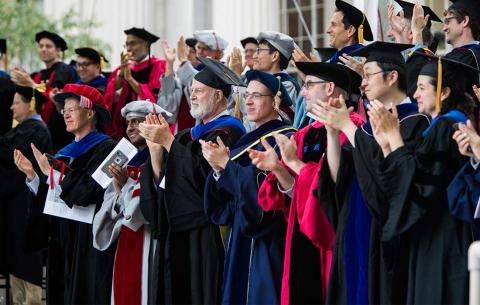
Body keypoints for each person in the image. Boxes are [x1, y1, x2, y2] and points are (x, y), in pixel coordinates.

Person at [315, 41, 430, 305]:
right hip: (354, 224)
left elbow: (393, 178)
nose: (362, 83)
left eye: (368, 74)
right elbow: (337, 180)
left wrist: (347, 126)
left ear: (392, 77)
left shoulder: (416, 123)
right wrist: (333, 133)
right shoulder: (365, 128)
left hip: (382, 232)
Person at [367, 55, 478, 304]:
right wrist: (387, 146)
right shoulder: (438, 128)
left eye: (422, 87)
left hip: (446, 239)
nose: (415, 93)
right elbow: (411, 183)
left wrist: (395, 138)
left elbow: (422, 189)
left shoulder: (448, 127)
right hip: (433, 237)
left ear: (444, 92)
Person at [137, 57, 245, 304]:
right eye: (191, 90)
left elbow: (202, 179)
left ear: (218, 96)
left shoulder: (230, 132)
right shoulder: (188, 136)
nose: (192, 96)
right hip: (177, 233)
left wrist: (168, 143)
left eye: (198, 91)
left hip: (206, 235)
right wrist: (155, 153)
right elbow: (166, 183)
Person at [253, 62, 363, 305]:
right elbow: (293, 196)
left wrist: (293, 163)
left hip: (334, 238)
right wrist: (278, 168)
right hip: (302, 236)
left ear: (331, 88)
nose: (303, 92)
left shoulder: (355, 129)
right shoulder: (306, 133)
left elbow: (335, 186)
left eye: (310, 85)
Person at [14, 84, 117, 304]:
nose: (66, 114)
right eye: (64, 110)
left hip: (88, 239)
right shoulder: (64, 153)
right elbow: (53, 198)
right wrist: (34, 176)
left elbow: (89, 192)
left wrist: (51, 172)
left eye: (72, 108)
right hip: (62, 238)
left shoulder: (108, 149)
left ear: (90, 113)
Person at [202, 70, 296, 305]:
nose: (249, 101)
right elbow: (227, 194)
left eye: (256, 95)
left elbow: (264, 194)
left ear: (275, 100)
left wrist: (226, 165)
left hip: (267, 237)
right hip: (240, 233)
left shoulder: (284, 138)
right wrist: (218, 170)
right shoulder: (246, 140)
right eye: (247, 96)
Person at [93, 99, 170, 305]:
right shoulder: (121, 157)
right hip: (125, 237)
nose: (130, 128)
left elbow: (143, 212)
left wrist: (125, 185)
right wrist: (120, 190)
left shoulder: (163, 157)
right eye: (128, 123)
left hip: (150, 237)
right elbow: (111, 205)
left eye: (137, 121)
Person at [0, 86, 51, 305]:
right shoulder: (25, 128)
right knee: (15, 262)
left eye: (16, 102)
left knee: (25, 262)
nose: (12, 107)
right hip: (15, 208)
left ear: (30, 104)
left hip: (26, 208)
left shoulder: (35, 130)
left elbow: (7, 155)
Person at [10, 30, 78, 151]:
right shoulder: (38, 74)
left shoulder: (64, 70)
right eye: (41, 46)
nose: (43, 49)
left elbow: (55, 96)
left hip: (59, 133)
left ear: (58, 51)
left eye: (48, 46)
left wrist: (30, 83)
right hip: (37, 132)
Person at [104, 27, 166, 140]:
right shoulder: (124, 67)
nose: (129, 48)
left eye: (132, 43)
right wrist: (121, 75)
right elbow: (111, 97)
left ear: (146, 44)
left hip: (147, 126)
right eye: (126, 44)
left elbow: (157, 100)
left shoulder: (160, 66)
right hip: (125, 126)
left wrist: (130, 79)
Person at [387, 1, 442, 98]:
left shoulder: (428, 62)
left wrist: (417, 32)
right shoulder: (404, 59)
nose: (389, 34)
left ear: (411, 33)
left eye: (393, 27)